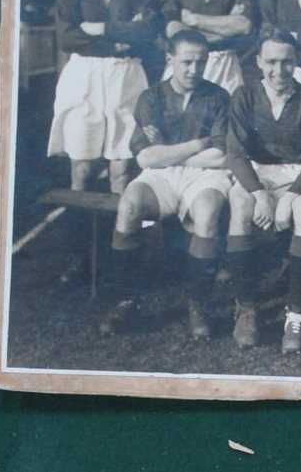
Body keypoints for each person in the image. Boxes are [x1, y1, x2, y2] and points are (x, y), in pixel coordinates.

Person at [99, 29, 233, 341]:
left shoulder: (218, 97)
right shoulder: (151, 98)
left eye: (201, 62)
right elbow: (146, 158)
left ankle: (198, 304)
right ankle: (126, 301)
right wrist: (199, 143)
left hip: (203, 176)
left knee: (208, 211)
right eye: (186, 62)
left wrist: (170, 154)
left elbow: (220, 156)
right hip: (162, 176)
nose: (194, 70)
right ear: (169, 59)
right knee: (129, 204)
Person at [225, 30, 301, 352]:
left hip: (298, 174)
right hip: (257, 173)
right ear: (258, 61)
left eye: (287, 62)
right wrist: (259, 194)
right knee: (240, 205)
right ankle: (246, 308)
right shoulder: (244, 96)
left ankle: (296, 313)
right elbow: (235, 154)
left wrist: (290, 195)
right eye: (271, 62)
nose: (279, 70)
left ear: (296, 62)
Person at [47, 0, 155, 198]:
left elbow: (147, 32)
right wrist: (123, 32)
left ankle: (120, 238)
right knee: (82, 165)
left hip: (126, 75)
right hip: (85, 75)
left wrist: (101, 28)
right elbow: (67, 38)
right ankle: (77, 234)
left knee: (121, 167)